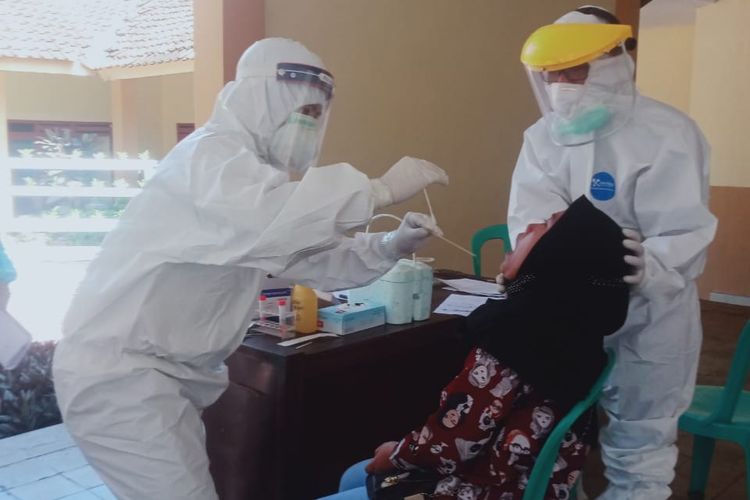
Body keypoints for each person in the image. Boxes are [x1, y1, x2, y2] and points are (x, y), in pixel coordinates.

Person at [53, 38, 448, 500]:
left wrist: (388, 245)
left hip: (167, 378)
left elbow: (306, 256)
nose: (309, 127)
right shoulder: (208, 159)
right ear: (258, 99)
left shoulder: (251, 177)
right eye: (303, 112)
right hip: (121, 375)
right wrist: (377, 190)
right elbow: (273, 223)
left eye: (318, 116)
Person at [506, 6, 717, 499]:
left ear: (612, 64)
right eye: (550, 74)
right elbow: (530, 221)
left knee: (641, 441)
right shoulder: (542, 139)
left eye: (573, 70)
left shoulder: (669, 134)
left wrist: (653, 264)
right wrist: (532, 257)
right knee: (556, 433)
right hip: (570, 310)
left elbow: (684, 228)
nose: (560, 84)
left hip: (651, 313)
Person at [320, 196, 632, 500]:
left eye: (547, 226)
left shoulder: (516, 337)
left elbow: (453, 444)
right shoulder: (573, 334)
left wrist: (396, 454)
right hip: (514, 482)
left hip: (476, 488)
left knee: (361, 474)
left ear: (559, 256)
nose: (529, 227)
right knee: (354, 476)